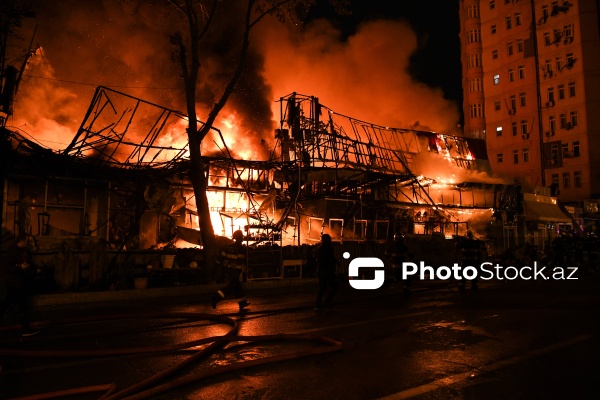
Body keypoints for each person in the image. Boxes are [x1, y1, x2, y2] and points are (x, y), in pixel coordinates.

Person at [0, 233, 40, 336]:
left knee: (8, 304)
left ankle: (26, 329)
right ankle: (26, 330)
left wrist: (35, 270)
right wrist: (20, 268)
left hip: (18, 283)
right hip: (14, 283)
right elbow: (7, 267)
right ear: (21, 241)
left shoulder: (23, 251)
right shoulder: (12, 251)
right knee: (22, 306)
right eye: (27, 241)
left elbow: (26, 264)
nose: (28, 243)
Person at [211, 230, 250, 311]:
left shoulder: (228, 247)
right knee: (231, 287)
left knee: (236, 286)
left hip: (228, 270)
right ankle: (215, 297)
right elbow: (240, 261)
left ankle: (242, 302)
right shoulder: (241, 249)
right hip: (235, 271)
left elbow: (220, 258)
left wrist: (217, 268)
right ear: (240, 238)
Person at [315, 234, 338, 311]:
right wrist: (336, 263)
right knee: (334, 286)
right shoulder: (329, 248)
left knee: (322, 288)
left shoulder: (320, 249)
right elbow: (331, 258)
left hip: (322, 271)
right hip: (328, 271)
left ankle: (319, 304)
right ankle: (325, 302)